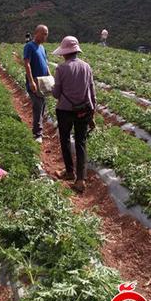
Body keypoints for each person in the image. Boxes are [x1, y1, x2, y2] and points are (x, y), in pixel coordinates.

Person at [51, 36, 96, 193]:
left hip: (64, 110)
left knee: (64, 139)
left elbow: (56, 94)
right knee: (81, 142)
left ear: (64, 53)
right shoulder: (87, 67)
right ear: (76, 51)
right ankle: (81, 179)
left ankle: (69, 172)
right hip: (83, 110)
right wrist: (92, 115)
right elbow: (92, 92)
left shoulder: (61, 69)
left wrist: (51, 88)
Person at [23, 24, 50, 143]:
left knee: (42, 105)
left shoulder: (42, 48)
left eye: (46, 34)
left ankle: (39, 131)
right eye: (43, 33)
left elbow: (46, 63)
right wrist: (31, 81)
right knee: (38, 106)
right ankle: (37, 133)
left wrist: (50, 77)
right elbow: (27, 64)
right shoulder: (29, 46)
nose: (45, 36)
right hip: (35, 82)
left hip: (43, 83)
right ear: (37, 33)